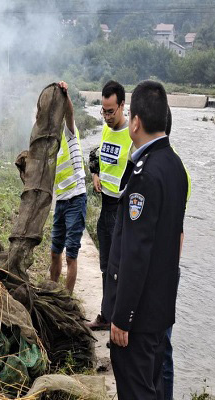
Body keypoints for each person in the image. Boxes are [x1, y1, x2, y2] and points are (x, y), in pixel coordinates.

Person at [104, 81, 188, 400]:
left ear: (135, 121)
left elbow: (136, 254)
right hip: (160, 307)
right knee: (151, 396)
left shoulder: (145, 174)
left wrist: (122, 317)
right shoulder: (174, 167)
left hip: (138, 314)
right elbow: (173, 241)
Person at [86, 80, 134, 330]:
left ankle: (120, 320)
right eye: (103, 111)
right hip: (106, 208)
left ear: (122, 105)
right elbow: (96, 153)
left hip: (121, 210)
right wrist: (95, 173)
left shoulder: (133, 134)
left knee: (120, 269)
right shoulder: (107, 129)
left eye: (110, 111)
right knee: (105, 265)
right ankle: (106, 315)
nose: (106, 117)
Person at [49, 81, 87, 294]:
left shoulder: (69, 132)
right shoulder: (50, 142)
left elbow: (70, 113)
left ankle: (67, 299)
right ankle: (52, 291)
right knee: (55, 252)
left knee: (71, 255)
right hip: (61, 201)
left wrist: (65, 95)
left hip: (76, 199)